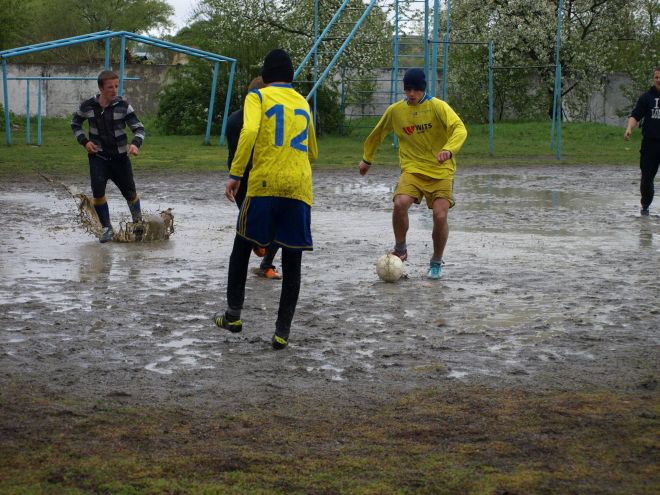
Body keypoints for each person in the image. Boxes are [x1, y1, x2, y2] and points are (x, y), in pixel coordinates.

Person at [214, 49, 318, 350]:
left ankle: (233, 315)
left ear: (266, 75)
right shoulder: (303, 102)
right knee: (293, 259)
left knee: (241, 246)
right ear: (292, 76)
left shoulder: (257, 98)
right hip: (299, 187)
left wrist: (235, 174)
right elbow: (313, 151)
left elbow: (249, 133)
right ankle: (282, 331)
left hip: (264, 183)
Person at [358, 68, 467, 280]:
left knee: (440, 215)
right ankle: (400, 248)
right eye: (408, 89)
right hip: (413, 169)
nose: (411, 94)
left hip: (441, 171)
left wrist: (449, 149)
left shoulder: (438, 107)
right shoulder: (396, 111)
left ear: (423, 89)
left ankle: (436, 261)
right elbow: (377, 133)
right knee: (400, 203)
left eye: (416, 89)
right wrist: (366, 158)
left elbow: (459, 129)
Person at [71, 70, 146, 243]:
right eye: (110, 87)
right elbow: (75, 123)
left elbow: (139, 128)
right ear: (101, 88)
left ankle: (138, 223)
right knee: (97, 192)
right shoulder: (88, 106)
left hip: (120, 158)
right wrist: (84, 142)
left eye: (116, 86)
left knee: (130, 192)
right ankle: (106, 228)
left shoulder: (124, 106)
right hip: (98, 158)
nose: (114, 90)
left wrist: (135, 144)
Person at [226, 76, 281, 279]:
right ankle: (260, 248)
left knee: (265, 223)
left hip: (244, 176)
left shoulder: (235, 119)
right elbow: (239, 153)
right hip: (249, 178)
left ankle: (264, 257)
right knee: (267, 224)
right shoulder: (239, 122)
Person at [624, 66, 660, 216]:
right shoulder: (646, 97)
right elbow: (635, 116)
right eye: (656, 77)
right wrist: (629, 129)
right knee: (646, 178)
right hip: (650, 144)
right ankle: (645, 205)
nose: (658, 80)